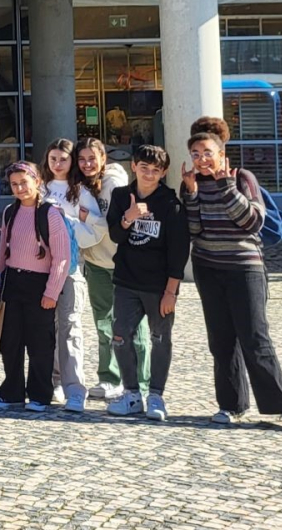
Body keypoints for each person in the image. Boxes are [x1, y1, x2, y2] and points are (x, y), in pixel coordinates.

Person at [182, 131, 282, 434]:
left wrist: (225, 185)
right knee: (221, 340)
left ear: (221, 153)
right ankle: (231, 405)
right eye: (196, 154)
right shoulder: (192, 183)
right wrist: (192, 193)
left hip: (244, 268)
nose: (201, 159)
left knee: (255, 338)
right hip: (208, 268)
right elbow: (195, 230)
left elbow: (252, 221)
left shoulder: (242, 178)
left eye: (207, 152)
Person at [104, 144, 187, 422]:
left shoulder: (171, 204)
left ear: (163, 172)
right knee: (120, 335)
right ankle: (131, 395)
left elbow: (179, 252)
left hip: (159, 286)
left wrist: (171, 292)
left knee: (160, 339)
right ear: (134, 167)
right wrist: (129, 218)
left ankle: (156, 395)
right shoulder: (120, 196)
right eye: (144, 168)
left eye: (155, 170)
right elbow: (115, 236)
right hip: (126, 281)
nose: (149, 175)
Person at [0, 162, 70, 412]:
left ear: (37, 181)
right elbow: (3, 250)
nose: (20, 188)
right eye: (14, 184)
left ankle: (40, 394)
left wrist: (51, 292)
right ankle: (12, 392)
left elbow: (62, 257)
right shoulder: (10, 212)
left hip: (39, 284)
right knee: (10, 341)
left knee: (40, 343)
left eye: (24, 182)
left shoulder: (50, 214)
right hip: (13, 281)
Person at [75, 136, 146, 402]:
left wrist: (88, 216)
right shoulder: (80, 185)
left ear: (104, 158)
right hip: (96, 263)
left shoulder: (115, 183)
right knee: (104, 323)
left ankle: (141, 382)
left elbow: (113, 224)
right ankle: (109, 377)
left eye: (92, 158)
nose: (87, 164)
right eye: (81, 159)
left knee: (134, 326)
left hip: (124, 264)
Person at [40, 138, 105, 413]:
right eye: (53, 158)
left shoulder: (80, 193)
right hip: (40, 268)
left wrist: (68, 227)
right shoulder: (41, 188)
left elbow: (98, 229)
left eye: (63, 159)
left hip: (71, 268)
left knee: (69, 327)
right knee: (46, 329)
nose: (57, 164)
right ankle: (52, 380)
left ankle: (75, 388)